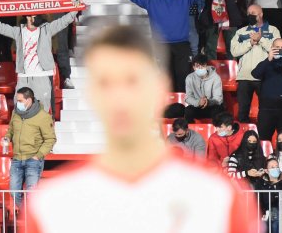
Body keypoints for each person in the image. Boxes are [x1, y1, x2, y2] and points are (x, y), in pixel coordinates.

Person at [25, 25, 257, 231]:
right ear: (91, 94)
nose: (120, 97)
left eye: (132, 81)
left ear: (158, 88)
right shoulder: (52, 205)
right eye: (106, 83)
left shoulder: (217, 197)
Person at [112, 0, 215, 92]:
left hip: (182, 46)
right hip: (160, 46)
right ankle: (168, 108)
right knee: (165, 81)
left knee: (183, 79)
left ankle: (182, 107)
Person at [0, 11, 76, 112]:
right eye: (31, 15)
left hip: (42, 76)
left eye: (36, 15)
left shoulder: (47, 29)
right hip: (24, 77)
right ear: (27, 16)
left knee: (42, 111)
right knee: (20, 110)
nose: (34, 17)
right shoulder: (18, 31)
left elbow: (63, 21)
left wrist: (75, 9)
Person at [6, 87, 55, 207]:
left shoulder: (43, 116)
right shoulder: (15, 112)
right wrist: (7, 138)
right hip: (17, 158)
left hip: (33, 160)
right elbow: (11, 130)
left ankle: (29, 218)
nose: (18, 103)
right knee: (13, 192)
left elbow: (50, 139)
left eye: (20, 100)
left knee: (31, 194)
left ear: (29, 100)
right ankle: (26, 214)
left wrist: (38, 156)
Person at [233, 4, 282, 127]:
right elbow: (234, 51)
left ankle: (264, 136)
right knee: (242, 112)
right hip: (244, 77)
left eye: (253, 14)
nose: (250, 16)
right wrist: (250, 42)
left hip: (265, 77)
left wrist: (261, 40)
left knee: (265, 110)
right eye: (248, 13)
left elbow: (278, 52)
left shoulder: (273, 30)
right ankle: (244, 137)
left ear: (261, 15)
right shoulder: (241, 31)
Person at [252, 38, 282, 142]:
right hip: (267, 107)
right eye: (277, 48)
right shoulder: (266, 63)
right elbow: (255, 74)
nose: (279, 50)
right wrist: (268, 59)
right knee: (263, 140)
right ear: (271, 48)